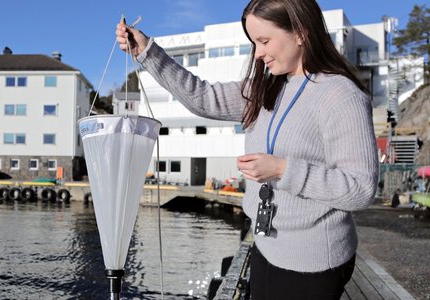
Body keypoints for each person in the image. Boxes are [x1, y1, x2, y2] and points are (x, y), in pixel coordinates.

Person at [116, 0, 379, 299]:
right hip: (266, 246)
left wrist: (283, 170)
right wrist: (147, 51)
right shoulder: (264, 87)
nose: (258, 53)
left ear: (301, 33)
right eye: (254, 43)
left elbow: (360, 189)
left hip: (313, 263)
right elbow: (202, 97)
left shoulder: (341, 95)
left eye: (264, 41)